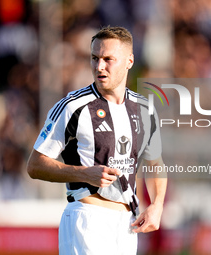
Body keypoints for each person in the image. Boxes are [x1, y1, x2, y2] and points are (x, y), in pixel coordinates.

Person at [27, 26, 167, 255]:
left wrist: (157, 205)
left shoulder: (145, 110)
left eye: (108, 59)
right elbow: (35, 165)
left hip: (128, 226)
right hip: (87, 220)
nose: (99, 66)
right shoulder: (73, 106)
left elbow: (155, 164)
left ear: (129, 61)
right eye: (94, 58)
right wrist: (84, 173)